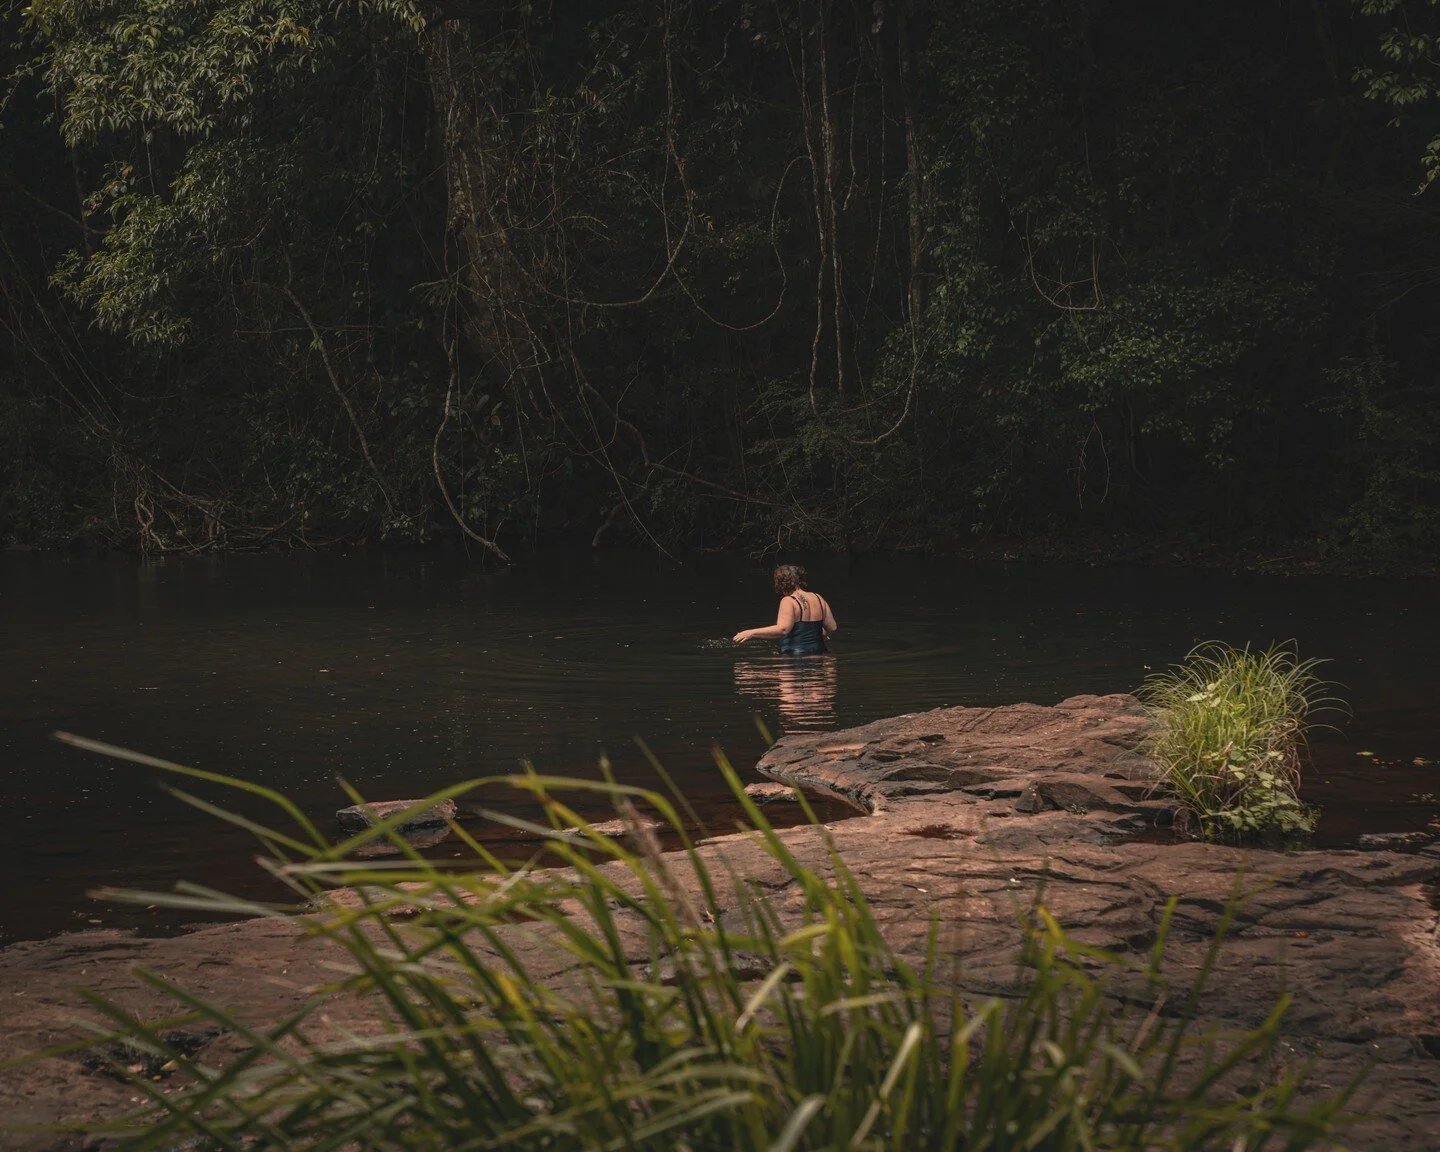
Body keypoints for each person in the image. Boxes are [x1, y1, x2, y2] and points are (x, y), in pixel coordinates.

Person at [732, 564, 837, 655]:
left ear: (780, 583)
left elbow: (783, 629)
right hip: (820, 652)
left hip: (794, 655)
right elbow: (832, 627)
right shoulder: (818, 598)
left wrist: (751, 633)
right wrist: (820, 635)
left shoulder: (788, 601)